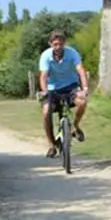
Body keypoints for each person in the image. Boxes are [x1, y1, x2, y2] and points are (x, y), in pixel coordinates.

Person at [38, 30, 89, 158]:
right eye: (55, 44)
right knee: (45, 112)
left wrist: (85, 89)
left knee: (82, 102)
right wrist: (44, 91)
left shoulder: (72, 53)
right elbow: (43, 76)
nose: (58, 47)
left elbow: (80, 70)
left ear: (64, 43)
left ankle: (75, 127)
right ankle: (51, 145)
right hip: (52, 90)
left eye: (60, 44)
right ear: (50, 44)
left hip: (71, 87)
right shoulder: (45, 56)